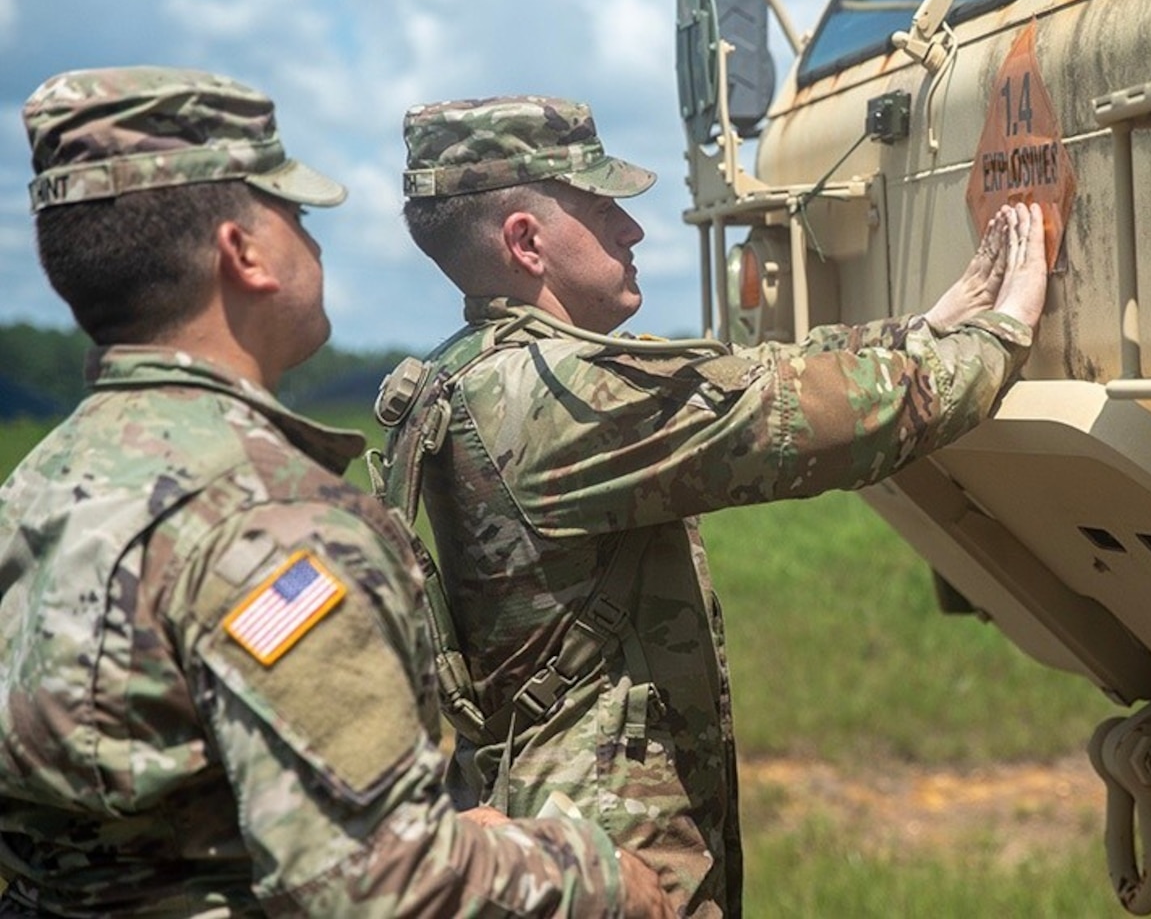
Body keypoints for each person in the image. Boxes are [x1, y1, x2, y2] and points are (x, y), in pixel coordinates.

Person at [0, 67, 672, 918]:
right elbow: (373, 882)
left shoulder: (37, 487)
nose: (313, 244)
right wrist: (599, 877)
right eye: (297, 215)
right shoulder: (276, 528)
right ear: (244, 255)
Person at [377, 94, 1048, 917]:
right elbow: (790, 420)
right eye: (600, 208)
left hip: (549, 817)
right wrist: (997, 338)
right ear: (526, 242)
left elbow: (736, 380)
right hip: (606, 851)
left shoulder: (472, 374)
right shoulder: (555, 399)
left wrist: (918, 328)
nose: (633, 231)